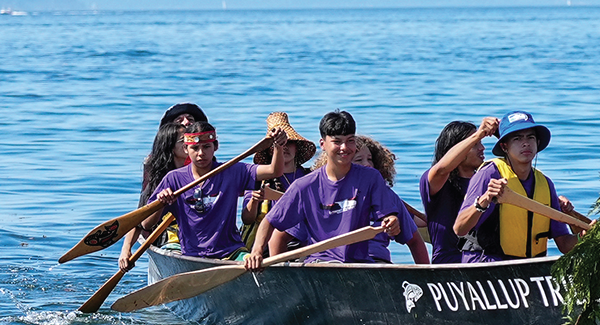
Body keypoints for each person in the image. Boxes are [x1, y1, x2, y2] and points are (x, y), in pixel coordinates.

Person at [246, 110, 414, 268]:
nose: (344, 147)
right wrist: (256, 252)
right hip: (321, 264)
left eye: (350, 141)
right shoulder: (305, 185)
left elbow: (389, 216)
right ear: (323, 144)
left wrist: (392, 222)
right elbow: (270, 222)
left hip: (360, 264)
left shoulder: (370, 178)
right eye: (337, 141)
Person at [129, 121, 292, 265]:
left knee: (253, 263)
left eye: (206, 147)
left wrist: (278, 146)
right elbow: (146, 224)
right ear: (186, 149)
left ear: (216, 146)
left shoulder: (232, 170)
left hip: (232, 252)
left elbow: (274, 171)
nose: (201, 153)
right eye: (195, 148)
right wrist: (162, 202)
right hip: (191, 256)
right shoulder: (173, 179)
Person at [454, 111, 579, 262]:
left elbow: (564, 244)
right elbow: (459, 229)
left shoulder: (545, 184)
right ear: (504, 146)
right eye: (517, 138)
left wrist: (584, 237)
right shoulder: (489, 174)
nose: (525, 143)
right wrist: (485, 200)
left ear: (538, 143)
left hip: (528, 268)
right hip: (486, 264)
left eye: (530, 137)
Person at [421, 118, 495, 264]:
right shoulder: (437, 181)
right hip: (449, 264)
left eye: (480, 143)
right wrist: (478, 134)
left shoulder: (486, 182)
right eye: (475, 144)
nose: (482, 148)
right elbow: (442, 169)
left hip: (486, 262)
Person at [240, 112, 317, 248]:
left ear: (297, 147)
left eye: (289, 142)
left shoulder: (310, 176)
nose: (285, 147)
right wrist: (254, 200)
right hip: (267, 245)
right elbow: (247, 219)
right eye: (279, 144)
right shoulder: (260, 179)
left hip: (305, 242)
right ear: (271, 150)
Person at [118, 122, 188, 270]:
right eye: (183, 141)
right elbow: (138, 220)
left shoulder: (198, 172)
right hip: (169, 238)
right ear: (170, 147)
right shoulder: (158, 181)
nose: (189, 144)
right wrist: (126, 250)